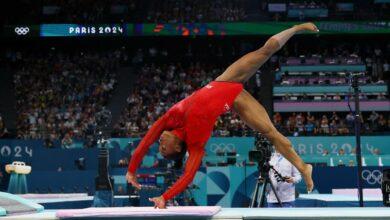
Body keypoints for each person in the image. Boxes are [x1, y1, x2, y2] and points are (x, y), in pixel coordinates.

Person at [126, 23, 319, 208]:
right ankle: (303, 167)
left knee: (264, 51)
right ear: (177, 147)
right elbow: (188, 176)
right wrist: (165, 197)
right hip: (235, 101)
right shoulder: (196, 146)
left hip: (225, 80)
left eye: (159, 145)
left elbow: (145, 141)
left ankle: (296, 28)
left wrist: (132, 170)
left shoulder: (169, 119)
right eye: (163, 148)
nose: (159, 142)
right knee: (271, 134)